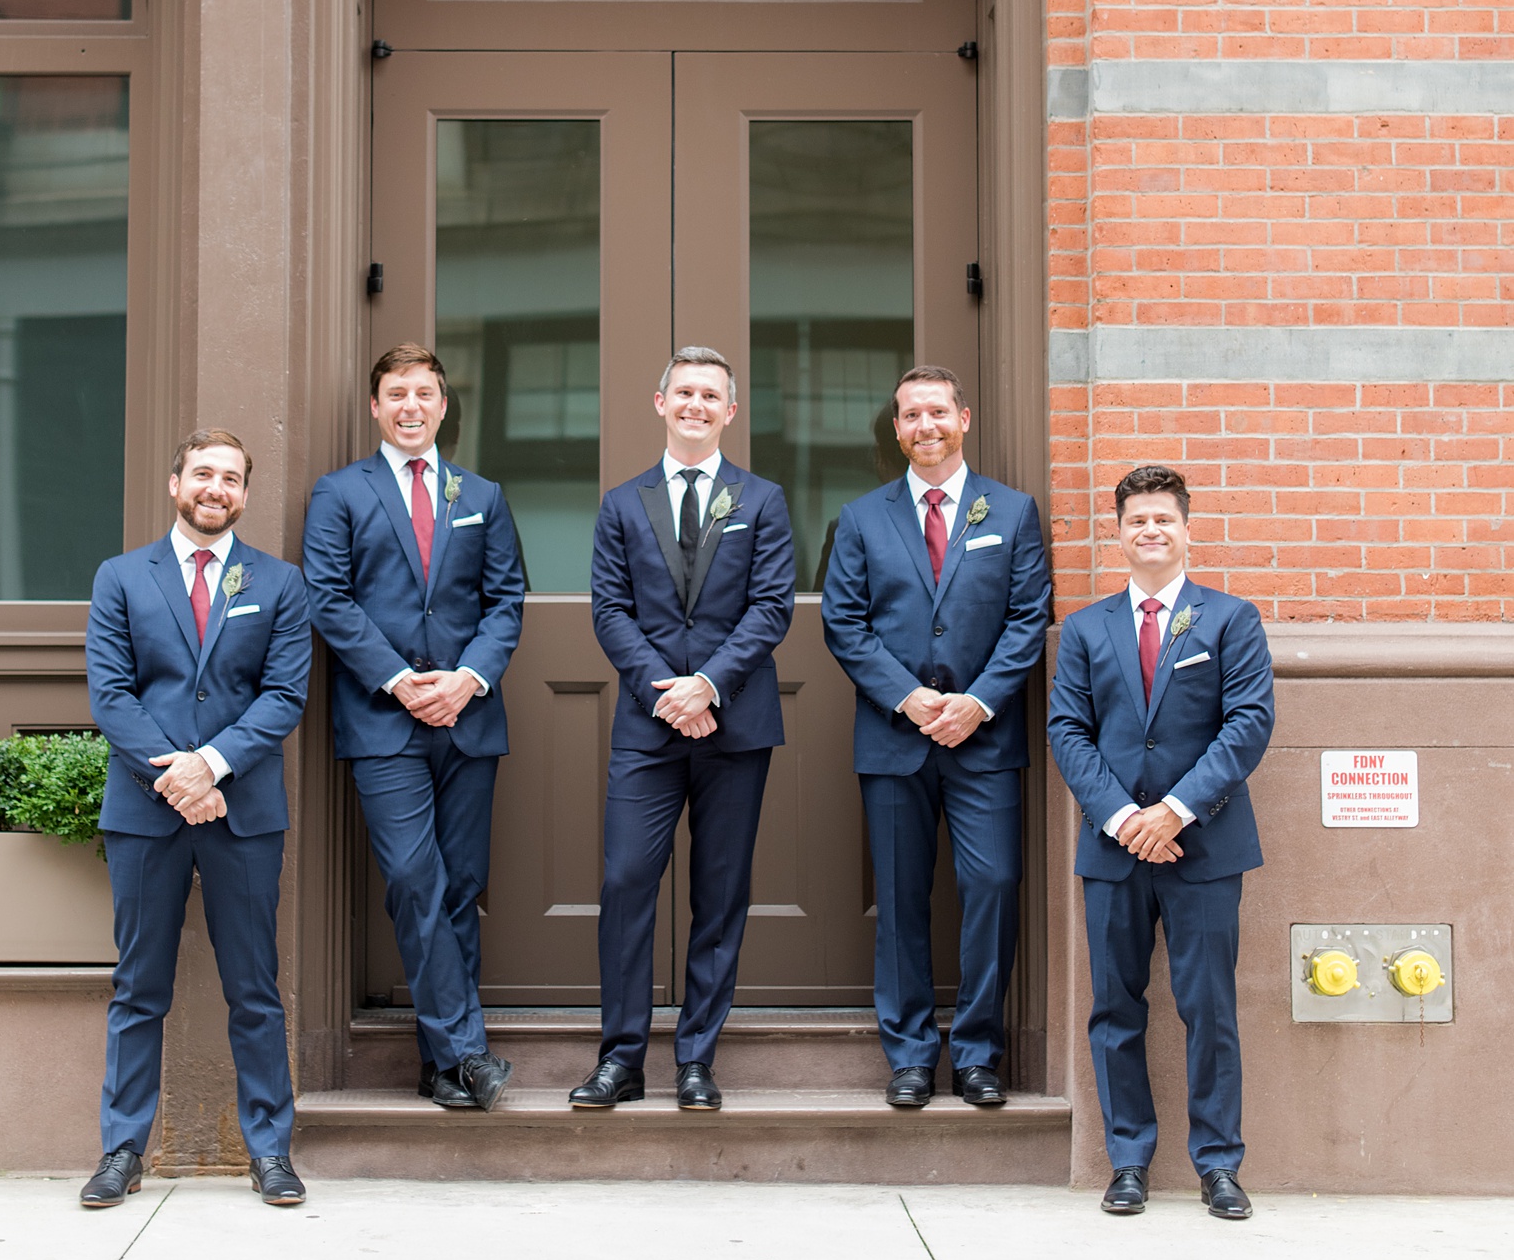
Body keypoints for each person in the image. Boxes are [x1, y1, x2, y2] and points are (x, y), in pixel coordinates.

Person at [82, 430, 313, 1209]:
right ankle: (121, 1150)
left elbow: (284, 696)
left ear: (245, 494)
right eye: (204, 473)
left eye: (232, 478)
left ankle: (271, 1152)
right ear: (175, 480)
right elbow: (112, 694)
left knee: (254, 986)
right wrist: (178, 777)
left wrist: (210, 767)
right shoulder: (121, 577)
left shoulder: (280, 583)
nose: (216, 487)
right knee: (138, 985)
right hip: (144, 815)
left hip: (241, 813)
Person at [1047, 463, 1275, 1221]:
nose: (1151, 530)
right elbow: (1069, 732)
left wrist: (1175, 811)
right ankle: (1129, 1160)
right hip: (1113, 850)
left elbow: (1246, 724)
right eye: (1136, 520)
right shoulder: (1084, 629)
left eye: (1163, 519)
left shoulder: (1230, 619)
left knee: (1209, 1005)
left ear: (1187, 529)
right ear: (1118, 535)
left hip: (1204, 848)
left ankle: (1218, 1162)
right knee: (1116, 1007)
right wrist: (1123, 819)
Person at [301, 343, 525, 1112]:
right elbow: (329, 598)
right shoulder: (339, 494)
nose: (411, 405)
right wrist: (400, 680)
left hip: (469, 716)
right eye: (396, 392)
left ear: (442, 405)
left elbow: (506, 600)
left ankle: (441, 1068)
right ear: (376, 406)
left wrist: (466, 679)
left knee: (458, 887)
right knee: (412, 877)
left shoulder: (481, 494)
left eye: (424, 392)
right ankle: (468, 1051)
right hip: (382, 720)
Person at [572, 348, 795, 1112]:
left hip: (736, 726)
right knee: (627, 881)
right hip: (648, 725)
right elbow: (608, 609)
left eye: (712, 394)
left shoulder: (762, 500)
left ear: (730, 411)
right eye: (684, 392)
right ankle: (622, 1057)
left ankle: (696, 1058)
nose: (696, 404)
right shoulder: (621, 504)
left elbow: (771, 606)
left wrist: (709, 684)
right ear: (659, 401)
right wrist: (665, 689)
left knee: (720, 892)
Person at [820, 366, 1049, 1111]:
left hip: (985, 741)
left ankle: (979, 1050)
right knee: (901, 897)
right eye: (911, 414)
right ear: (896, 429)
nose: (926, 425)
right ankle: (912, 1053)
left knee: (992, 886)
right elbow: (843, 624)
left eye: (938, 411)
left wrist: (977, 703)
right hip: (895, 739)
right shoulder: (861, 518)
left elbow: (1027, 618)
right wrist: (912, 698)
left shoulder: (1011, 513)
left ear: (964, 418)